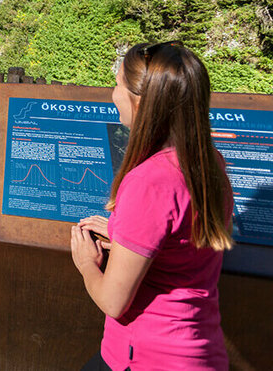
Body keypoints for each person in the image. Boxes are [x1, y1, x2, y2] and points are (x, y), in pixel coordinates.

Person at [71, 41, 234, 371]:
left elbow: (113, 302)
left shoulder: (149, 182)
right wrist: (122, 235)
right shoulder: (208, 161)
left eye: (118, 84)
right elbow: (177, 240)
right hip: (198, 350)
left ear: (141, 101)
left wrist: (87, 264)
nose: (113, 95)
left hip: (143, 356)